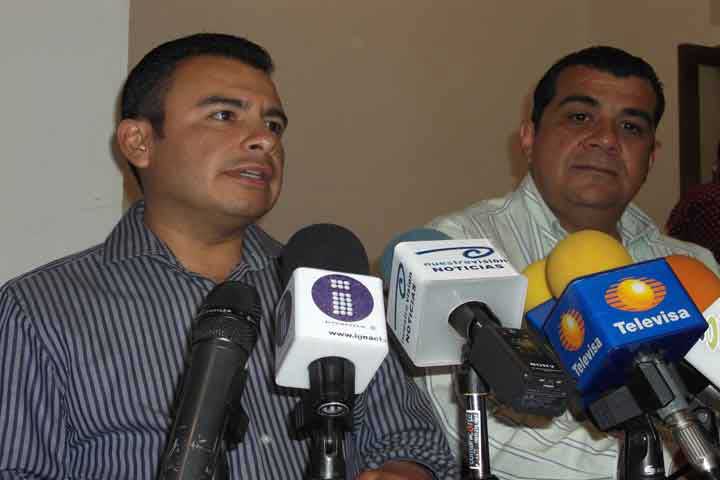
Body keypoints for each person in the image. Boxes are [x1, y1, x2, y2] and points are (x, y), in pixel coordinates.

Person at [0, 33, 457, 479]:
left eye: (273, 125)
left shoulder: (330, 287)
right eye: (224, 115)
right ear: (139, 142)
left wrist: (404, 469)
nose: (264, 141)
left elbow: (412, 440)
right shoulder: (40, 307)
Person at [421, 46, 720, 479]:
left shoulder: (692, 265)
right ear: (529, 137)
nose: (606, 139)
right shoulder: (457, 247)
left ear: (650, 157)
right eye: (580, 117)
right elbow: (462, 424)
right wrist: (666, 466)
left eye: (631, 126)